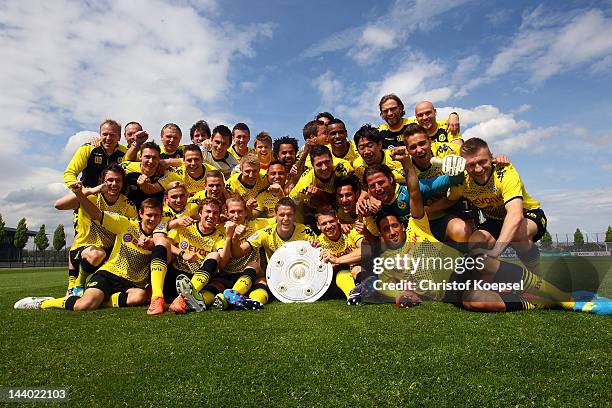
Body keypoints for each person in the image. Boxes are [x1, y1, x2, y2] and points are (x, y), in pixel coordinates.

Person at [15, 188, 164, 313]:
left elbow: (167, 254)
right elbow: (97, 214)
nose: (152, 219)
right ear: (140, 214)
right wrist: (80, 195)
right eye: (149, 215)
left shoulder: (163, 236)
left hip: (133, 284)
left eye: (156, 215)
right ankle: (43, 303)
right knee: (83, 306)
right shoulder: (125, 224)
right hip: (109, 274)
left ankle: (99, 300)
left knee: (140, 297)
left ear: (161, 217)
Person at [434, 138, 546, 273]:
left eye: (483, 162)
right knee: (475, 242)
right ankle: (493, 284)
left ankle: (538, 277)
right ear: (464, 166)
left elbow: (515, 215)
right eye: (471, 165)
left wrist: (496, 251)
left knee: (517, 234)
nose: (478, 169)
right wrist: (426, 210)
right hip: (495, 220)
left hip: (529, 214)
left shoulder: (505, 171)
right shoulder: (463, 180)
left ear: (492, 158)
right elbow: (450, 200)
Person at [54, 163, 137, 296]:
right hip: (86, 249)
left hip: (110, 253)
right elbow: (58, 205)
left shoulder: (128, 205)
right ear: (102, 182)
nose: (114, 184)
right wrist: (90, 190)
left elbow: (133, 230)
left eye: (118, 180)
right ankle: (78, 284)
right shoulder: (91, 197)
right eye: (110, 180)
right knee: (97, 254)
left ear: (123, 183)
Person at [316, 207, 365, 305]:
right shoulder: (319, 244)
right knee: (341, 273)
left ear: (337, 220)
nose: (329, 226)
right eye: (324, 224)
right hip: (341, 281)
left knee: (357, 269)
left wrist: (337, 260)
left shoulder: (350, 230)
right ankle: (353, 296)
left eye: (331, 221)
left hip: (361, 271)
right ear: (318, 226)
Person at [64, 119, 126, 188]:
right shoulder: (87, 149)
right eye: (105, 134)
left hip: (114, 196)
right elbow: (70, 172)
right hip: (88, 194)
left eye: (112, 135)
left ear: (119, 137)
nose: (108, 138)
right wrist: (80, 189)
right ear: (100, 135)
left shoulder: (126, 152)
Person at [120, 142, 181, 209]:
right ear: (140, 157)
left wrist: (169, 162)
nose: (151, 161)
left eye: (154, 157)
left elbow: (187, 163)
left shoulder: (167, 173)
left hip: (154, 215)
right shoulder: (125, 167)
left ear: (159, 159)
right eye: (147, 157)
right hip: (128, 212)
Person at [225, 153, 269, 219]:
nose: (251, 175)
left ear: (259, 170)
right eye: (247, 171)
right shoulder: (230, 185)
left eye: (254, 171)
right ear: (241, 170)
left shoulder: (265, 178)